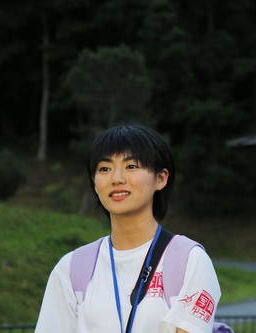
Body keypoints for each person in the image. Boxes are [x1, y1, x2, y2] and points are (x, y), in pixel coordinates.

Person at [35, 125, 222, 333]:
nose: (116, 178)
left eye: (131, 166)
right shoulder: (71, 268)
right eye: (104, 169)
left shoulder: (188, 260)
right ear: (95, 184)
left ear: (160, 178)